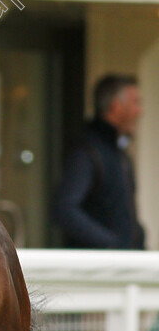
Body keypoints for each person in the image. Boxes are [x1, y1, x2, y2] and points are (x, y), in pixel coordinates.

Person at [53, 74, 145, 250]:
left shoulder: (119, 152)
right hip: (98, 269)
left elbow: (123, 214)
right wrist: (112, 244)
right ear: (116, 107)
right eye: (135, 102)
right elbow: (65, 210)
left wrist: (137, 242)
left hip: (123, 265)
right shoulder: (87, 152)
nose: (140, 111)